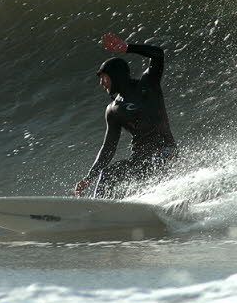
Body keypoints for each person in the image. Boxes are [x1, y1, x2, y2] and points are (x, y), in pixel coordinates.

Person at [75, 33, 177, 198]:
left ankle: (164, 199)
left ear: (115, 76)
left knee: (155, 168)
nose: (101, 83)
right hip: (139, 159)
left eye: (104, 78)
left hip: (165, 151)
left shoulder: (147, 85)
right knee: (108, 174)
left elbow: (158, 54)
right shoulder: (113, 110)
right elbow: (108, 148)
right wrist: (90, 176)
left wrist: (127, 48)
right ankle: (98, 207)